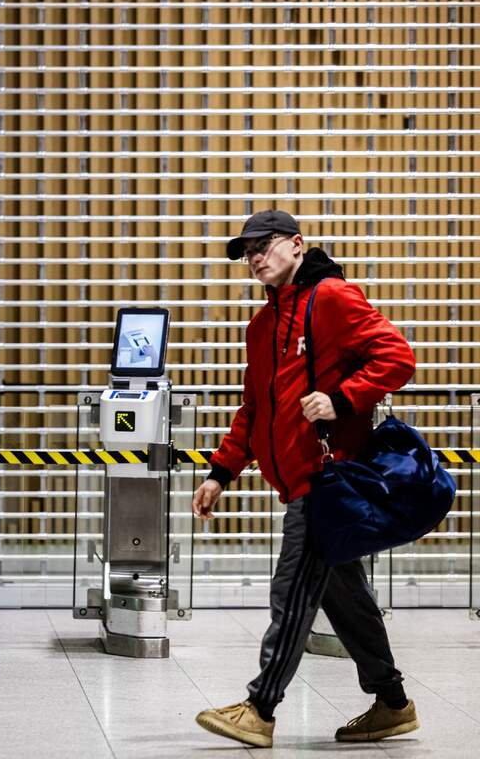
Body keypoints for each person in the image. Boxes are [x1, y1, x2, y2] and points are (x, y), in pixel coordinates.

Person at [192, 211, 419, 747]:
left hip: (326, 480)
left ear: (296, 244)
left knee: (291, 591)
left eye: (264, 245)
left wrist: (342, 399)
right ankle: (393, 704)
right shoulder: (262, 326)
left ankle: (259, 709)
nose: (254, 258)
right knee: (346, 600)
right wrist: (221, 472)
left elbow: (397, 357)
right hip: (297, 482)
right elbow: (255, 410)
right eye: (247, 252)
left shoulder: (332, 298)